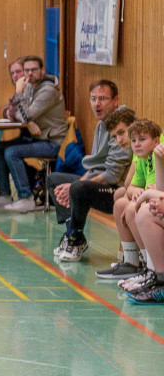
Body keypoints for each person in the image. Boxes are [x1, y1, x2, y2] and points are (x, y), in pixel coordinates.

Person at [50, 80, 132, 257]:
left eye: (102, 98)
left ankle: (74, 238)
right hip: (104, 183)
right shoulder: (103, 124)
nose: (97, 104)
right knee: (54, 179)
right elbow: (96, 166)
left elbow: (112, 175)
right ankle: (73, 235)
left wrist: (75, 186)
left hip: (116, 190)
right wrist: (76, 183)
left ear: (115, 101)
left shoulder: (122, 126)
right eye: (93, 98)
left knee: (79, 189)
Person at [0, 55, 66, 212]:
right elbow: (12, 109)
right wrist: (26, 120)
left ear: (42, 70)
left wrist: (20, 97)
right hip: (36, 139)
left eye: (34, 70)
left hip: (51, 143)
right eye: (27, 70)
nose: (30, 73)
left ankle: (26, 198)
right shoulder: (31, 87)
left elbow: (27, 114)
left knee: (12, 152)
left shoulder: (48, 90)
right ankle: (4, 195)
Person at [106, 119, 164, 286]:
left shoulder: (157, 152)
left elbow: (155, 190)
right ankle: (133, 262)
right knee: (121, 203)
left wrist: (142, 195)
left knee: (134, 209)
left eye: (142, 139)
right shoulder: (142, 158)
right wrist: (137, 192)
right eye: (134, 140)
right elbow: (130, 186)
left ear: (156, 141)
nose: (137, 144)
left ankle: (152, 269)